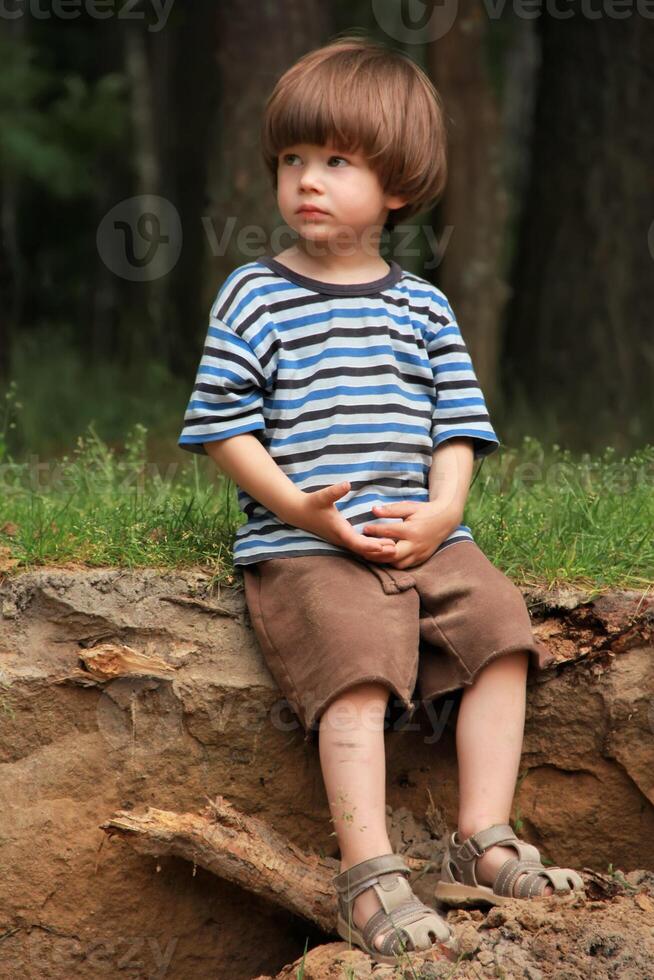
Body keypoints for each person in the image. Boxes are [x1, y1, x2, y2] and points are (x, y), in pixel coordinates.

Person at [178, 34, 585, 967]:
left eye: (335, 161)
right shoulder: (254, 293)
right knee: (357, 662)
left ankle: (484, 835)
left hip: (424, 531)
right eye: (291, 160)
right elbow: (224, 428)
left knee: (502, 628)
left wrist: (445, 514)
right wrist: (302, 509)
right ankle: (368, 869)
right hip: (308, 538)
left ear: (396, 186)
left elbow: (457, 426)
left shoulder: (423, 306)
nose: (306, 181)